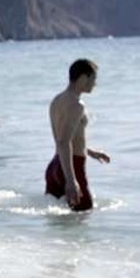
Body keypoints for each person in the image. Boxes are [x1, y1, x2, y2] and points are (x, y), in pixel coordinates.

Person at [46, 58, 110, 211]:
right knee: (84, 217)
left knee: (60, 225)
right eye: (93, 78)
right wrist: (71, 180)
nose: (95, 84)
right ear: (83, 78)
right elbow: (63, 141)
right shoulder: (77, 105)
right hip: (71, 167)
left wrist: (91, 152)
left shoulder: (57, 100)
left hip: (55, 166)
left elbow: (63, 140)